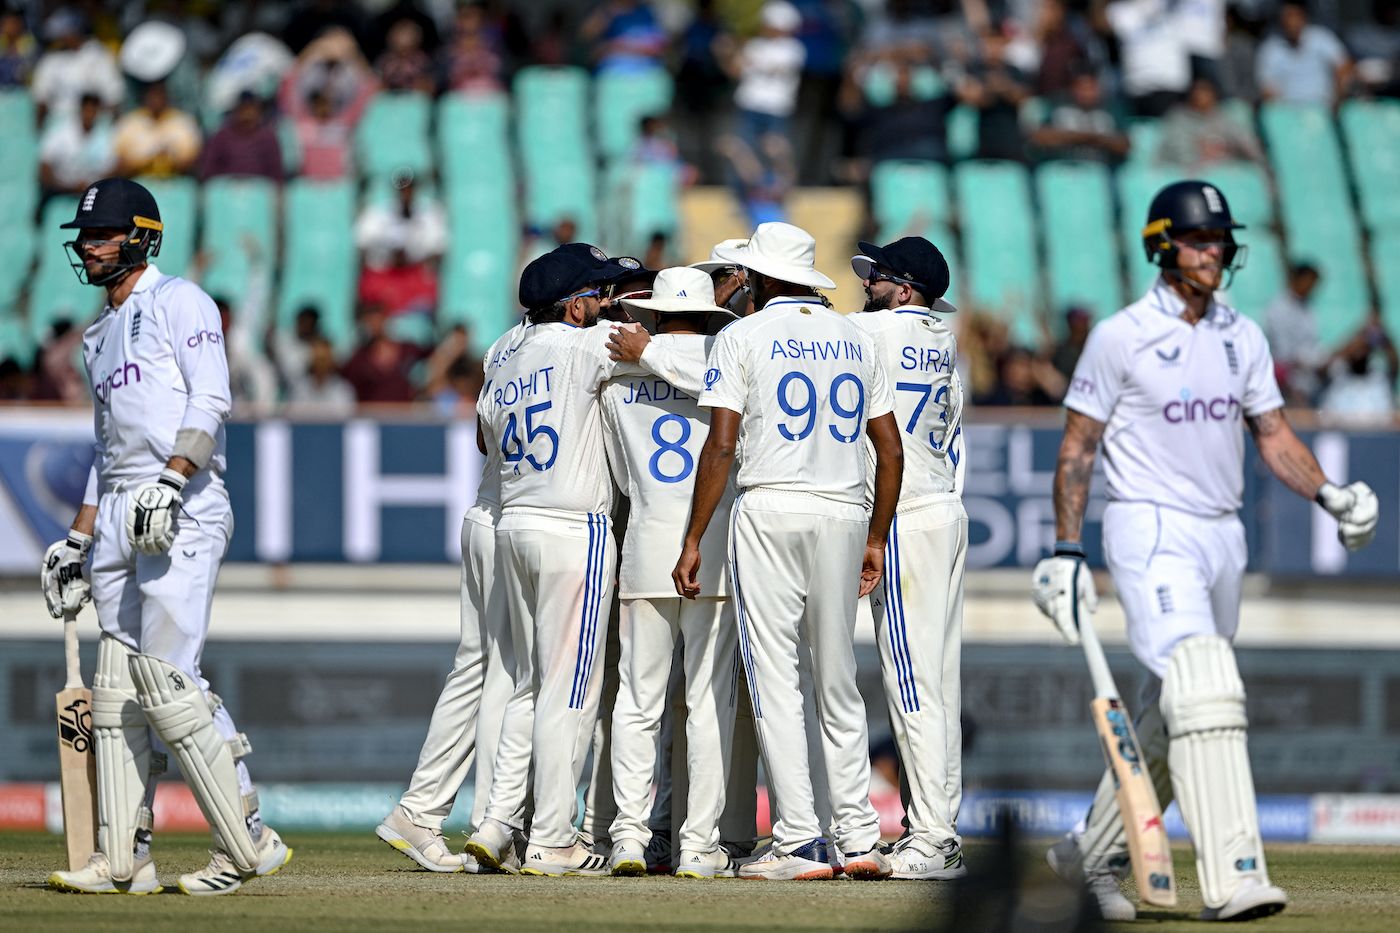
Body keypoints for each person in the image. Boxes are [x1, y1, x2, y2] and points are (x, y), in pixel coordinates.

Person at [1034, 180, 1378, 922]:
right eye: (1199, 239)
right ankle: (1235, 874)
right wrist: (1066, 549)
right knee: (1203, 681)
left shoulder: (1241, 334)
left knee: (1172, 709)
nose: (1215, 251)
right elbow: (1078, 444)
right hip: (1150, 524)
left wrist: (1330, 493)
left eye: (1221, 239)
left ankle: (1085, 857)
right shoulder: (1120, 335)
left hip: (1222, 532)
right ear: (1162, 245)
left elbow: (1275, 435)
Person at [42, 177, 292, 896]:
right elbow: (105, 448)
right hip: (121, 505)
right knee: (116, 687)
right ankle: (122, 857)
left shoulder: (181, 300)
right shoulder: (97, 335)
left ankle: (249, 840)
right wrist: (78, 539)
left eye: (102, 235)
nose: (88, 247)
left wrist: (175, 478)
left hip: (181, 500)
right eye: (84, 236)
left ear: (140, 236)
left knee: (170, 679)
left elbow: (212, 397)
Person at [672, 222, 903, 880]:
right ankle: (858, 837)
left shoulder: (742, 336)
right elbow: (890, 450)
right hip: (843, 508)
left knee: (778, 679)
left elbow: (720, 446)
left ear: (766, 278)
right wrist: (878, 535)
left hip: (770, 503)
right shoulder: (857, 337)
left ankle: (800, 841)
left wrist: (692, 537)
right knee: (836, 680)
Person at [465, 245, 699, 876]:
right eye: (602, 296)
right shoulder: (589, 344)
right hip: (576, 527)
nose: (613, 306)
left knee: (524, 684)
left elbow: (483, 432)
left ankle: (495, 823)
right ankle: (552, 838)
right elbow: (708, 369)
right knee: (573, 689)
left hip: (513, 517)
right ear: (575, 307)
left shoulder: (502, 350)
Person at [598, 268, 741, 878]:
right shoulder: (731, 365)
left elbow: (620, 478)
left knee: (637, 700)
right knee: (709, 703)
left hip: (647, 539)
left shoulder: (617, 376)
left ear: (655, 315)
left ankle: (629, 837)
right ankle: (699, 845)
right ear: (712, 317)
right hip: (713, 545)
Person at [375, 314, 528, 873]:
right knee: (507, 674)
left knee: (480, 668)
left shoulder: (506, 345)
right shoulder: (565, 346)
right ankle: (493, 822)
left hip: (488, 511)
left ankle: (422, 808)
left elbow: (482, 435)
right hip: (519, 515)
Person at [848, 237, 968, 880]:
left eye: (877, 278)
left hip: (900, 513)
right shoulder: (946, 343)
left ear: (905, 288)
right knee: (937, 682)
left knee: (911, 683)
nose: (865, 285)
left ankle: (934, 835)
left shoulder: (867, 336)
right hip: (944, 508)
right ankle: (936, 827)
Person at [958, 26, 1033, 162]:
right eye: (989, 43)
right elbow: (973, 99)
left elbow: (1021, 99)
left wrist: (1001, 87)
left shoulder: (1015, 70)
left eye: (997, 43)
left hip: (1010, 137)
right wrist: (997, 89)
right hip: (981, 138)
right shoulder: (974, 69)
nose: (993, 48)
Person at [1256, 0, 1352, 105]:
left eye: (1295, 16)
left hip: (1323, 108)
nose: (1292, 22)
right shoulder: (1270, 48)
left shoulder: (1322, 38)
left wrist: (1337, 98)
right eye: (1287, 17)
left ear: (1304, 18)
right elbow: (1267, 87)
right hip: (1286, 111)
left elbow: (1343, 67)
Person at [1156, 78, 1265, 169]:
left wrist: (1228, 149)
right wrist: (1202, 154)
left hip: (1227, 174)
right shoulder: (1179, 118)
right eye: (1198, 91)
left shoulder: (1224, 118)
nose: (1201, 96)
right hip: (1191, 174)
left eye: (1206, 91)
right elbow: (1178, 151)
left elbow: (1248, 146)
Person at [1029, 69, 1130, 165]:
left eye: (1091, 87)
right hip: (1063, 170)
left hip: (1100, 172)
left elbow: (1124, 145)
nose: (1086, 93)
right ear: (1073, 88)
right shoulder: (1058, 106)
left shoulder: (1110, 109)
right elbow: (1039, 137)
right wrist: (1078, 137)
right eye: (1082, 88)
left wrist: (1096, 139)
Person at [112, 81, 202, 179]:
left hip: (175, 181)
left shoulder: (184, 122)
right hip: (138, 179)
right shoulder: (129, 122)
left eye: (159, 96)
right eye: (152, 96)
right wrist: (147, 159)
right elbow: (120, 165)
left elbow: (194, 162)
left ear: (167, 97)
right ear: (145, 98)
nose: (156, 100)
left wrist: (170, 159)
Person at [1263, 261, 1324, 405]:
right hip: (1285, 380)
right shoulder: (1277, 309)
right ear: (1297, 279)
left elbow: (1313, 343)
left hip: (1308, 377)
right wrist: (1310, 362)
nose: (1311, 288)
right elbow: (1283, 354)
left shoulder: (1308, 308)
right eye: (1309, 282)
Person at [40, 91, 117, 197]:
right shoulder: (60, 132)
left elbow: (111, 168)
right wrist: (69, 188)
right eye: (87, 110)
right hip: (61, 190)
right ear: (81, 109)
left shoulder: (106, 136)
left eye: (93, 111)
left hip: (93, 192)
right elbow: (45, 166)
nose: (90, 115)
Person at [199, 91, 284, 183]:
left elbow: (276, 174)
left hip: (259, 192)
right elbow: (208, 171)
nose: (247, 115)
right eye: (243, 109)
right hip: (226, 190)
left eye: (251, 109)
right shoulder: (221, 137)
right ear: (236, 111)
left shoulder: (268, 138)